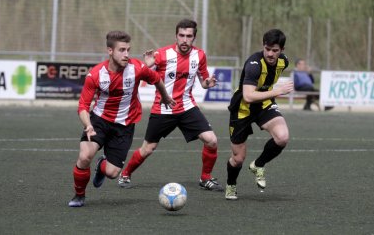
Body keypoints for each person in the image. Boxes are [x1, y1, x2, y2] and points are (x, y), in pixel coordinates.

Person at [68, 30, 175, 207]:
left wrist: (164, 96)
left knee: (112, 173)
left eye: (128, 50)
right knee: (85, 156)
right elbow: (83, 106)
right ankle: (79, 195)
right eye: (122, 50)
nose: (126, 54)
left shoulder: (137, 68)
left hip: (124, 125)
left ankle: (102, 165)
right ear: (110, 51)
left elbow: (156, 79)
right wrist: (88, 124)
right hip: (99, 121)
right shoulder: (95, 74)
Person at [118, 19, 223, 191]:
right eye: (181, 35)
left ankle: (205, 178)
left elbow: (203, 81)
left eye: (189, 36)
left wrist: (208, 83)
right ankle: (126, 173)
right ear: (176, 36)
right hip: (163, 108)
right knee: (148, 148)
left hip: (187, 107)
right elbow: (138, 72)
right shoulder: (162, 54)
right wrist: (147, 64)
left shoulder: (200, 56)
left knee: (211, 140)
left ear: (194, 37)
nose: (184, 39)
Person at [225, 29, 294, 200]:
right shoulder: (253, 65)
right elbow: (248, 96)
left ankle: (258, 165)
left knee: (282, 137)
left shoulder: (283, 62)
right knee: (238, 159)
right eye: (267, 49)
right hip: (242, 109)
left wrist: (272, 93)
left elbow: (268, 82)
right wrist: (277, 92)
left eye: (275, 50)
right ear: (263, 46)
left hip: (264, 105)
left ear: (282, 50)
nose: (270, 53)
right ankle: (231, 185)